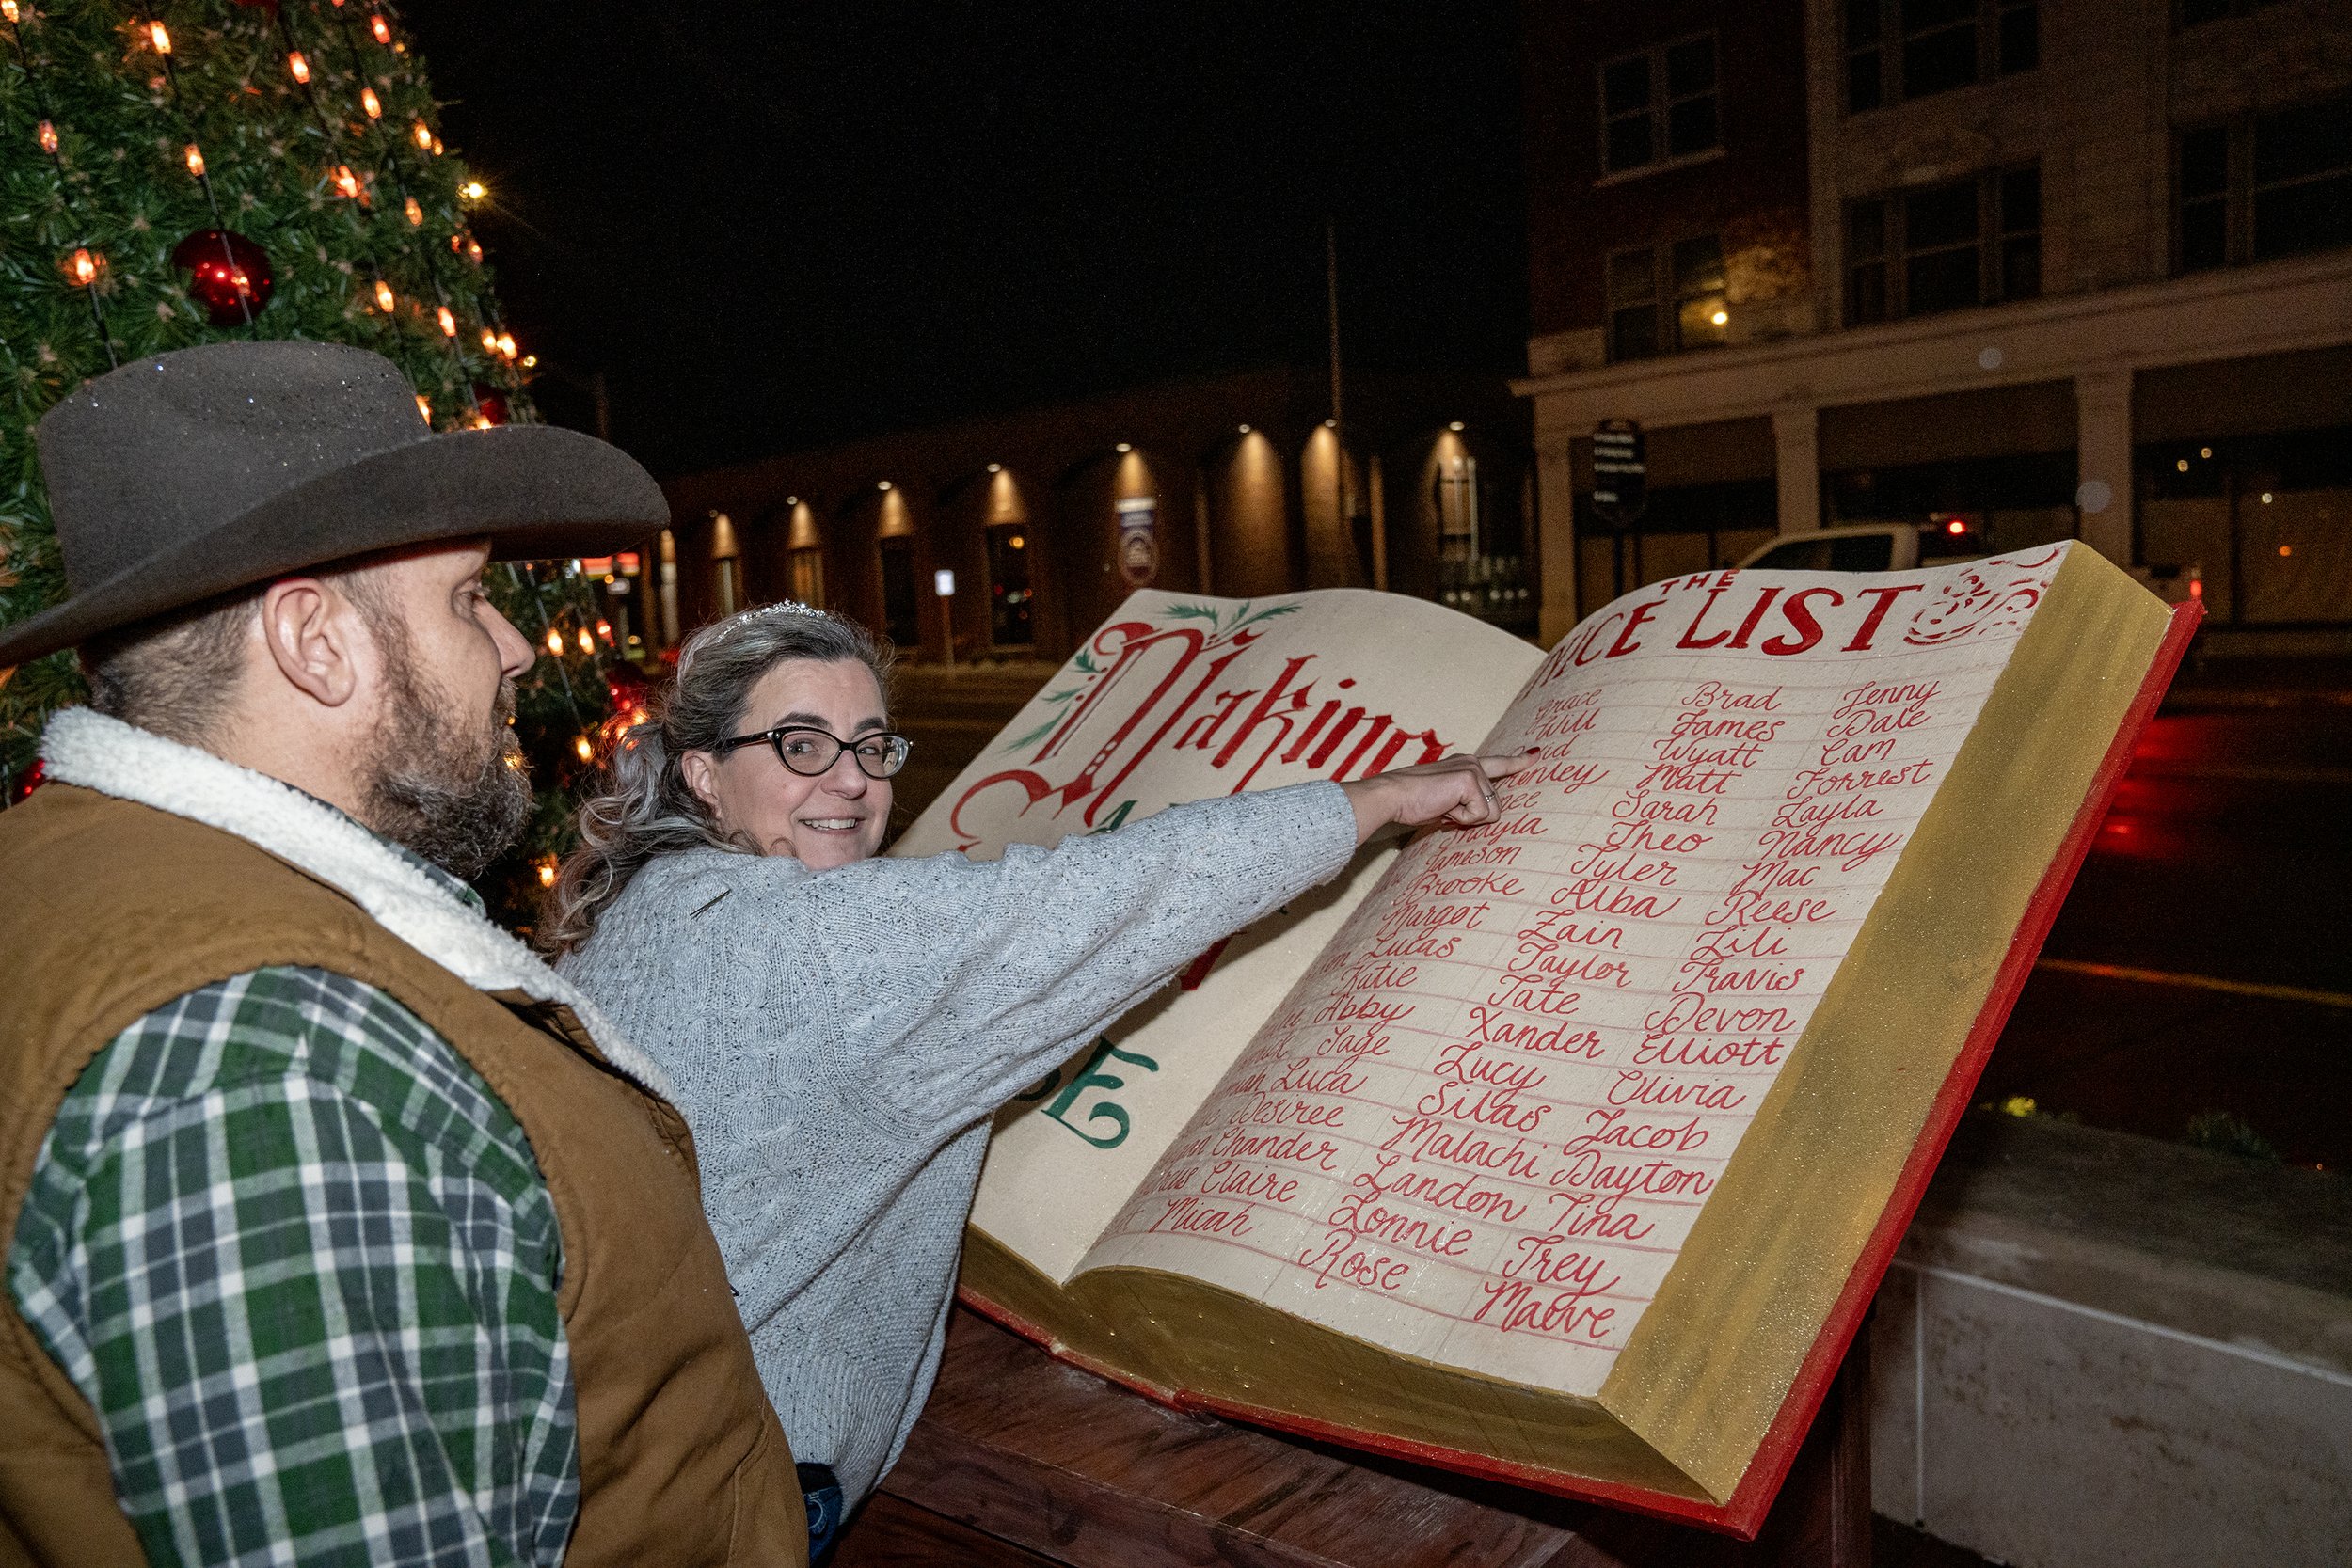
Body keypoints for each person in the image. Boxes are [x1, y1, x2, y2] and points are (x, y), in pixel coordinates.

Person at [0, 342, 805, 1567]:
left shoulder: (88, 873)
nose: (518, 649)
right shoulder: (261, 1074)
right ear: (318, 641)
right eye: (470, 598)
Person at [547, 601, 1526, 1554]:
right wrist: (1378, 798)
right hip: (730, 1491)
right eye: (801, 745)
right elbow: (1096, 901)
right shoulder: (808, 939)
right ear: (705, 774)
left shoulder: (659, 904)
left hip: (616, 1457)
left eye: (871, 746)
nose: (848, 782)